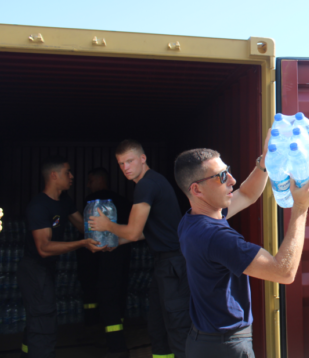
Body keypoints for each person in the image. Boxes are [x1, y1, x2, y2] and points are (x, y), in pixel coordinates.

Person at [175, 147, 309, 357]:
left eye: (229, 171)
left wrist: (263, 164)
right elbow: (283, 272)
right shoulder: (217, 238)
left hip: (204, 341)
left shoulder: (192, 220)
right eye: (222, 176)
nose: (232, 180)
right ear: (197, 190)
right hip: (225, 347)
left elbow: (246, 194)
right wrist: (300, 207)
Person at [89, 140, 190, 358]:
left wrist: (106, 225)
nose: (125, 167)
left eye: (130, 161)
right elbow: (148, 231)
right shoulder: (152, 183)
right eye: (121, 163)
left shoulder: (147, 184)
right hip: (165, 265)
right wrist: (115, 242)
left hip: (173, 264)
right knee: (157, 326)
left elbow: (134, 232)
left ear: (143, 159)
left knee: (176, 328)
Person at [18, 156, 102, 358]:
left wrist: (109, 230)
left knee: (39, 318)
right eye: (68, 172)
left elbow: (83, 227)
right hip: (34, 269)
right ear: (54, 175)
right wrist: (82, 243)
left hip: (47, 269)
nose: (72, 176)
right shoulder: (38, 206)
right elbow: (44, 248)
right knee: (44, 321)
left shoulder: (64, 201)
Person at [77, 167, 133, 358]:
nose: (88, 185)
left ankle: (115, 345)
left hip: (104, 257)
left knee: (105, 295)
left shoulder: (93, 203)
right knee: (120, 292)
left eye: (90, 180)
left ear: (100, 180)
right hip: (123, 256)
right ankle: (119, 333)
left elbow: (90, 233)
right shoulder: (124, 202)